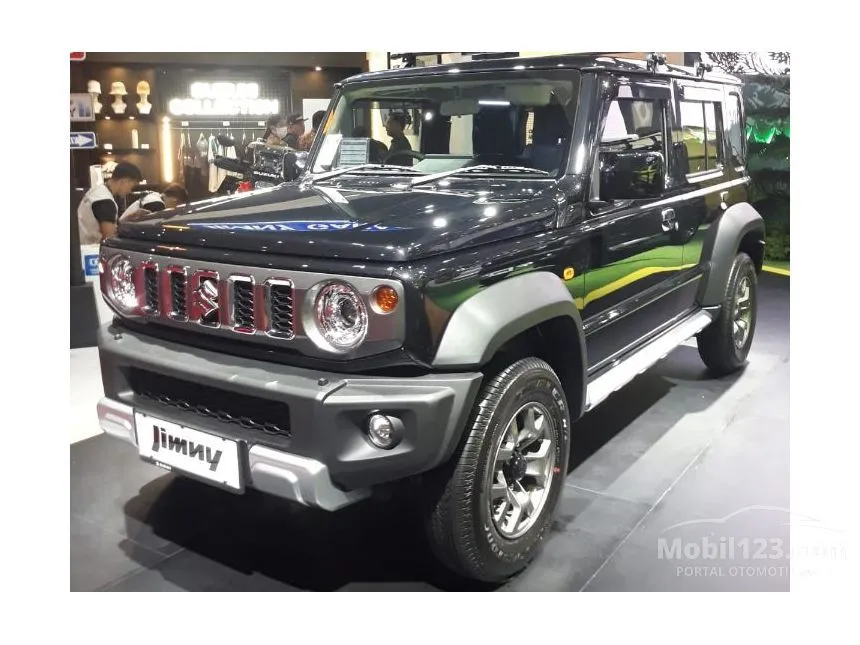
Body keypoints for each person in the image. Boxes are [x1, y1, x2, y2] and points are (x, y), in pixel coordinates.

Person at [77, 161, 142, 244]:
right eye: (131, 187)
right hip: (91, 249)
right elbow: (109, 239)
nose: (129, 191)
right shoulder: (105, 201)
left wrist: (129, 218)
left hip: (81, 245)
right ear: (123, 181)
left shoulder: (98, 191)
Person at [120, 183, 189, 221]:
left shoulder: (154, 197)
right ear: (174, 199)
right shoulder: (157, 204)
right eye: (177, 206)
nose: (174, 209)